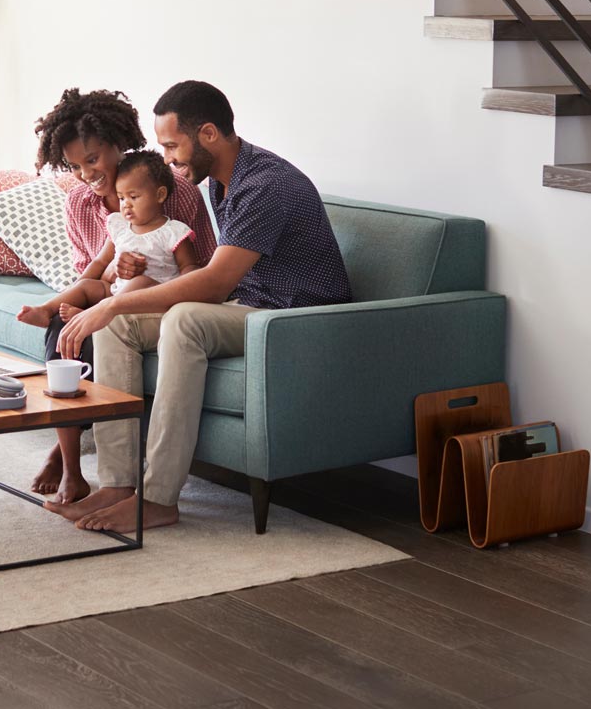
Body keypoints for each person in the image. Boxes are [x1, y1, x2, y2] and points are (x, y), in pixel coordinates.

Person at [49, 80, 353, 532]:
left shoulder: (265, 183)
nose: (167, 159)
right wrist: (114, 305)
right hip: (250, 307)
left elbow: (213, 283)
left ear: (208, 134)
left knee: (183, 319)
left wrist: (109, 305)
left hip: (293, 318)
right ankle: (118, 484)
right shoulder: (222, 184)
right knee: (117, 326)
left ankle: (158, 500)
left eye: (172, 145)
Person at [28, 89, 217, 505]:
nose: (85, 175)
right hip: (108, 292)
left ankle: (66, 454)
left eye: (93, 160)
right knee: (64, 328)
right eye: (75, 165)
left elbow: (198, 267)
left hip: (160, 296)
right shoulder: (78, 201)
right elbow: (90, 270)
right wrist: (109, 278)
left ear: (118, 144)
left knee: (97, 324)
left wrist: (135, 276)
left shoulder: (174, 191)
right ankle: (73, 471)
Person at [18, 151, 200, 328]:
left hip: (154, 296)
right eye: (121, 198)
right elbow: (101, 261)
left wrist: (181, 295)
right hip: (116, 291)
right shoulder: (120, 226)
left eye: (134, 197)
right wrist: (80, 285)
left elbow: (189, 268)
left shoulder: (173, 232)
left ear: (160, 195)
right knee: (87, 285)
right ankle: (45, 310)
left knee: (141, 282)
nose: (126, 204)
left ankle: (89, 315)